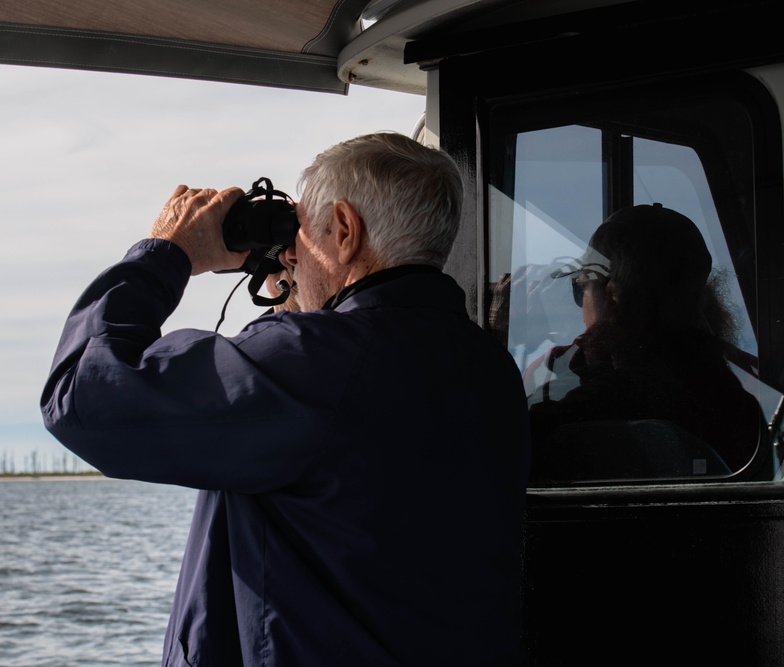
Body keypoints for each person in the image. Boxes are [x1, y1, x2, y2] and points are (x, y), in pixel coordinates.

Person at [41, 132, 532, 666]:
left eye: (300, 231)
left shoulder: (316, 364)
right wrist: (300, 300)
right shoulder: (487, 364)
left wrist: (166, 254)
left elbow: (80, 395)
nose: (291, 251)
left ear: (344, 230)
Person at [526, 203, 764, 482]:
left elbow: (507, 441)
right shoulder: (739, 400)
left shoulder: (604, 393)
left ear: (612, 294)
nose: (580, 307)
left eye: (580, 288)